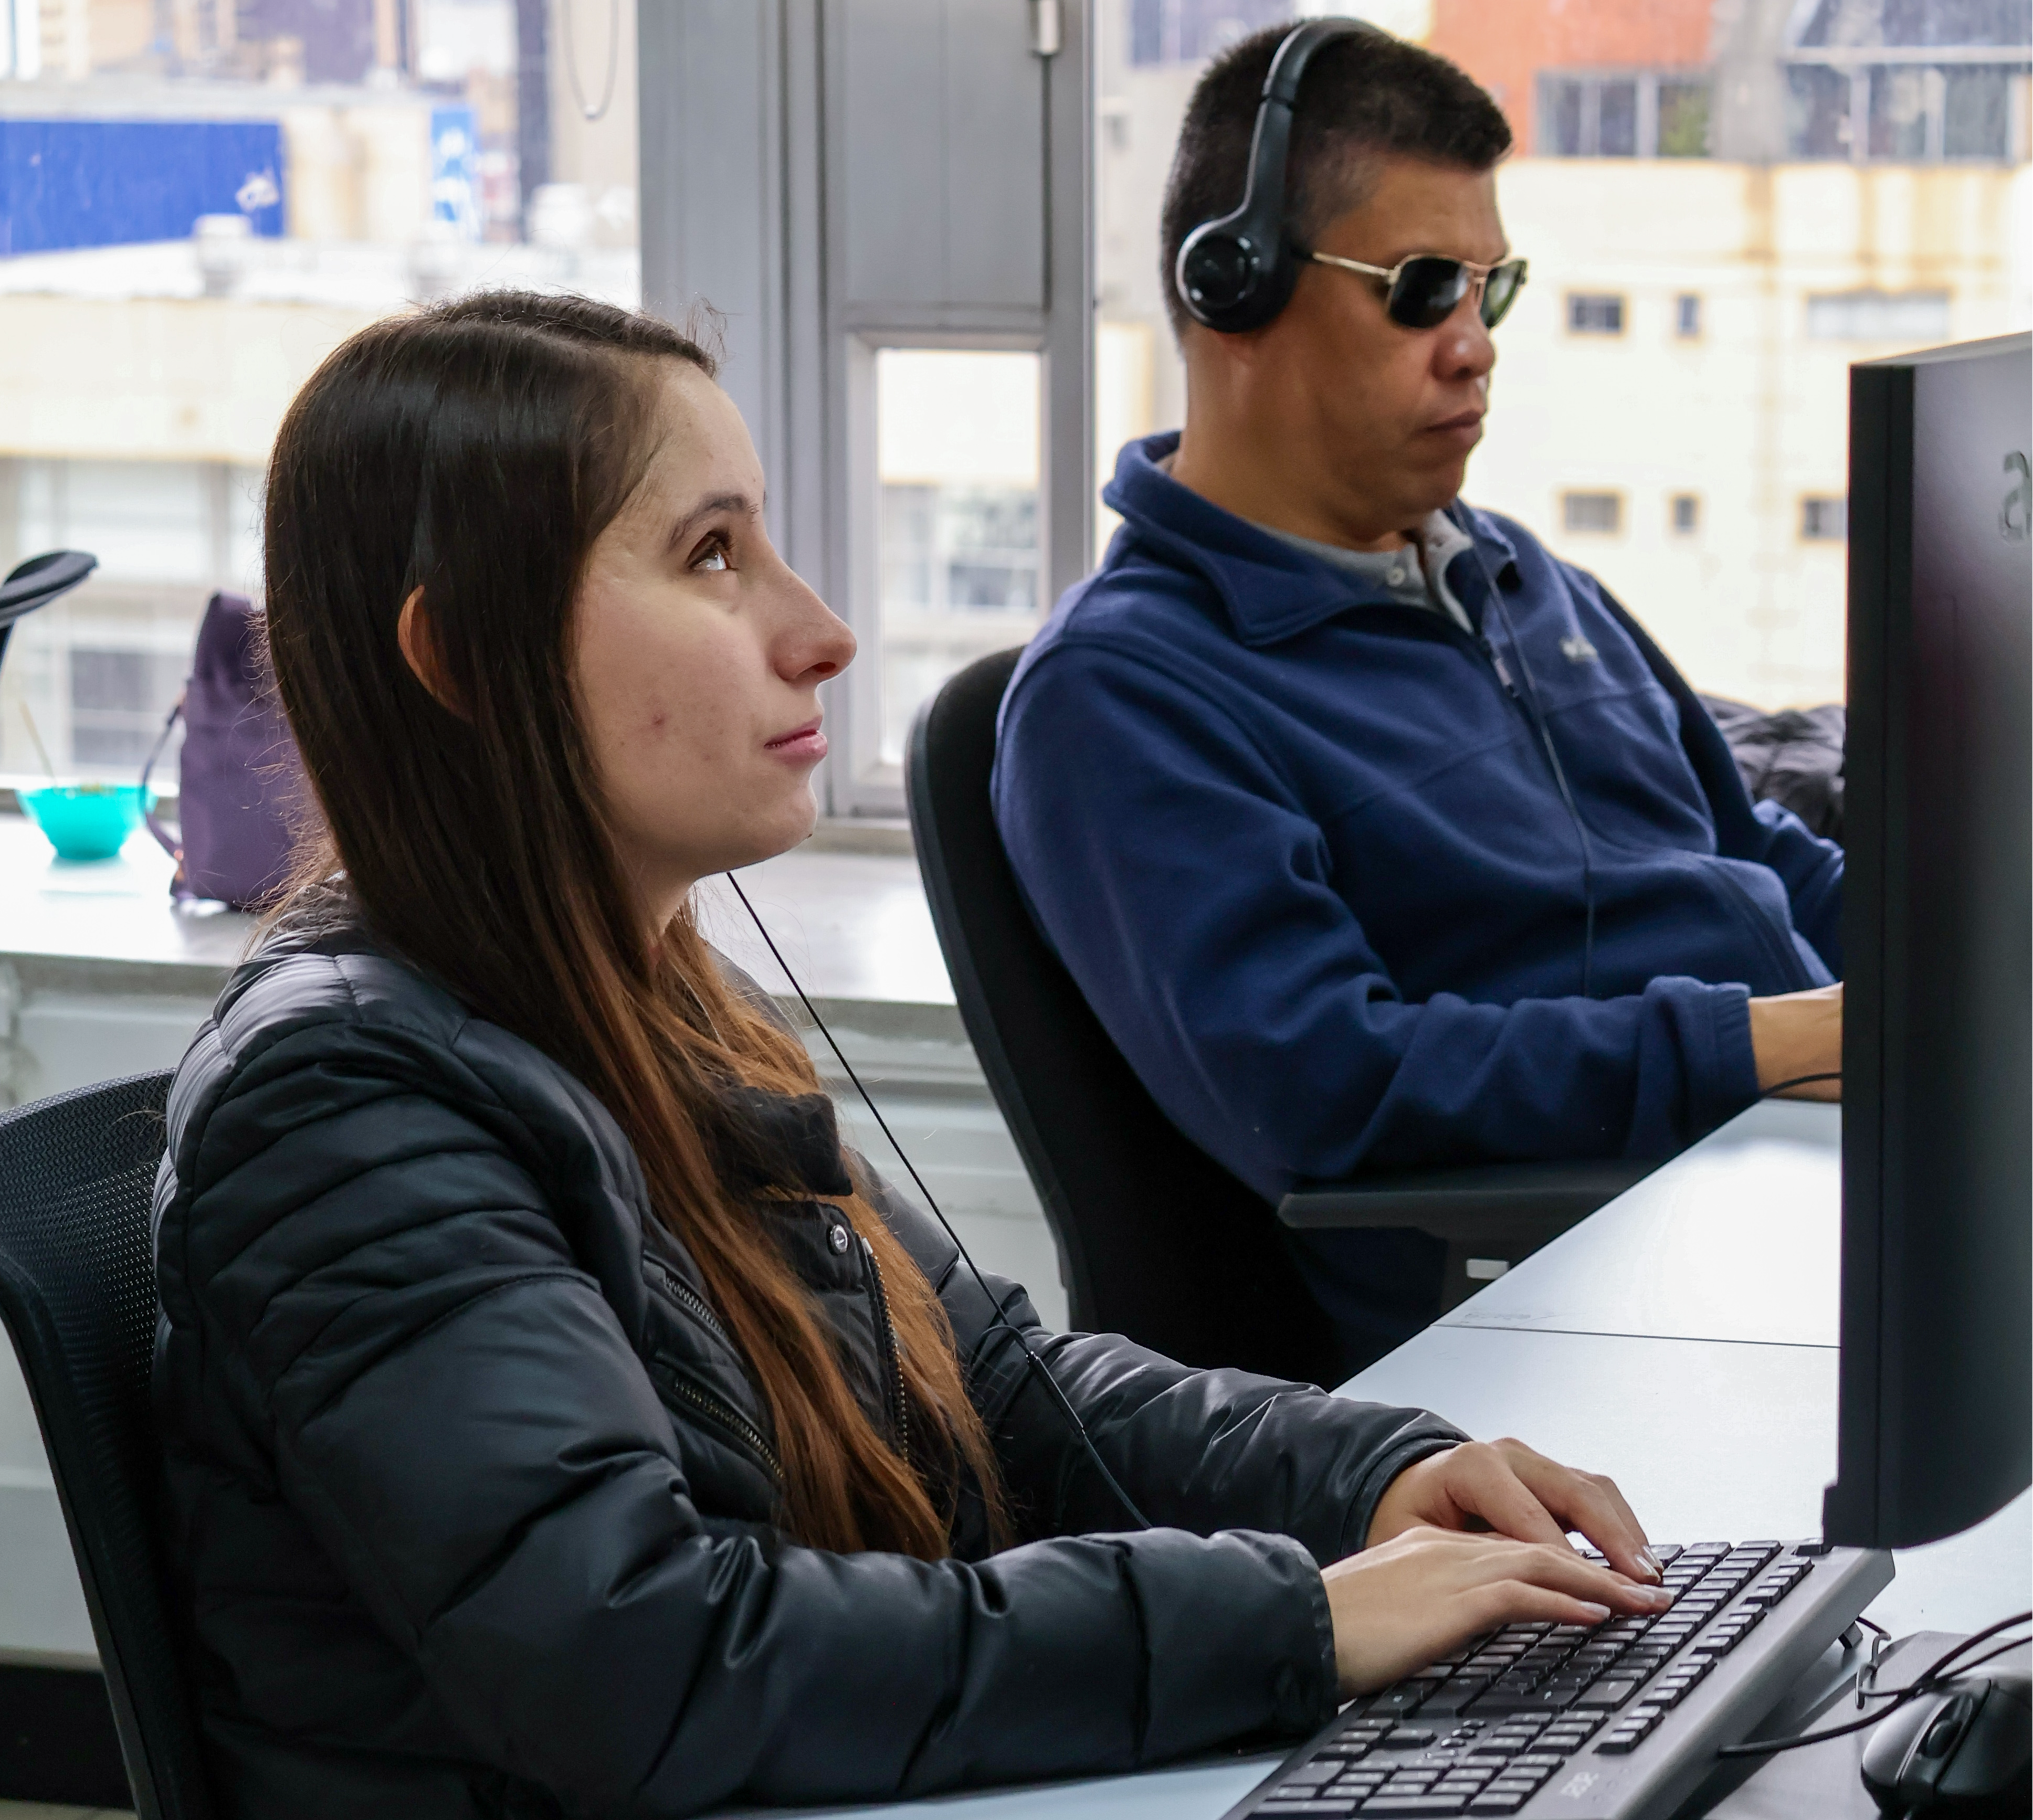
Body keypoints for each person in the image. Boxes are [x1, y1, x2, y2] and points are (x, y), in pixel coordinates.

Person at [150, 292, 1675, 1818]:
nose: (821, 633)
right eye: (711, 555)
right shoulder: (344, 1105)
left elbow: (997, 1389)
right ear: (466, 660)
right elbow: (651, 1660)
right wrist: (1300, 1617)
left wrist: (1371, 1478)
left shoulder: (651, 994)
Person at [991, 25, 1845, 1372]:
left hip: (1795, 1172)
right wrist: (1755, 1047)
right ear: (1234, 291)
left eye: (1488, 292)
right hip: (1579, 1295)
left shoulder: (1516, 572)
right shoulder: (1124, 694)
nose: (1473, 347)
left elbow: (1754, 854)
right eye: (1421, 288)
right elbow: (1327, 1088)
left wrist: (1963, 966)